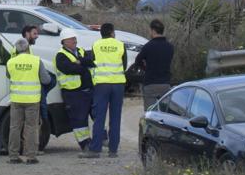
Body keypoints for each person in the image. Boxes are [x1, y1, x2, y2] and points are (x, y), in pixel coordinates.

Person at [83, 23, 126, 158]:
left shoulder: (96, 45)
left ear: (101, 33)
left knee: (99, 116)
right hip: (118, 84)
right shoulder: (120, 45)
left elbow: (92, 62)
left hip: (102, 85)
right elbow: (124, 65)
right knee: (115, 117)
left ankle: (95, 149)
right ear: (112, 32)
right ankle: (113, 150)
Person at [6, 38, 51, 164]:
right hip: (32, 100)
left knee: (14, 127)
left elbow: (8, 75)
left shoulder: (10, 62)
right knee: (31, 127)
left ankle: (13, 156)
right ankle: (31, 156)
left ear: (16, 49)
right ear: (28, 48)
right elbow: (46, 80)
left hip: (16, 99)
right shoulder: (36, 61)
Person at [54, 32, 95, 151]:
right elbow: (70, 69)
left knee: (96, 115)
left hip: (88, 89)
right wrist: (82, 66)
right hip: (73, 92)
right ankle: (85, 143)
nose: (75, 41)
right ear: (64, 41)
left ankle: (99, 140)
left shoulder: (80, 51)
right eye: (72, 39)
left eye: (75, 39)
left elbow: (91, 61)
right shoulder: (60, 55)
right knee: (79, 119)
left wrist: (80, 62)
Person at [134, 18, 175, 111]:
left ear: (153, 30)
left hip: (150, 83)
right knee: (165, 112)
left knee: (150, 113)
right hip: (165, 83)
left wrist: (145, 68)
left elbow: (138, 61)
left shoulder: (148, 46)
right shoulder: (170, 47)